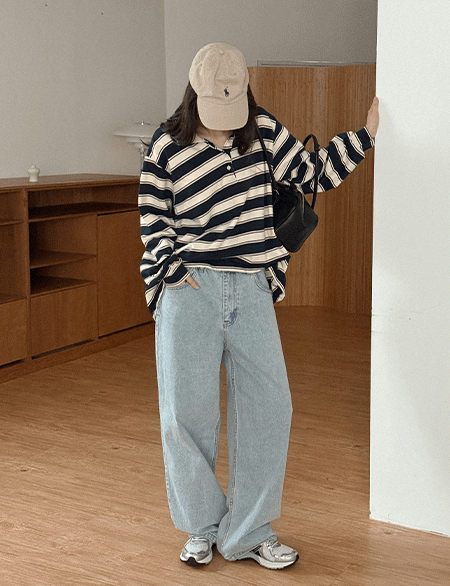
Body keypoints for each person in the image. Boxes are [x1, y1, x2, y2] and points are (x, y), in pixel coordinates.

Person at [139, 42, 379, 570]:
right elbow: (153, 217)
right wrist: (171, 271)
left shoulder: (263, 129)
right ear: (194, 95)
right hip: (190, 287)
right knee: (185, 413)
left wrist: (365, 135)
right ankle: (201, 526)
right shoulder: (166, 144)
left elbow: (313, 173)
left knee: (270, 406)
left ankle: (247, 532)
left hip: (250, 287)